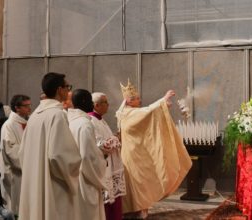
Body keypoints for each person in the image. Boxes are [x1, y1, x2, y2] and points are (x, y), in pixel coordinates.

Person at [116, 80, 192, 218]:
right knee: (137, 183)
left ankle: (140, 208)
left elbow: (147, 114)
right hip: (132, 154)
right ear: (129, 101)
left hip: (137, 153)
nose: (140, 101)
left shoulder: (127, 112)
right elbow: (148, 111)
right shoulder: (127, 113)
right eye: (137, 99)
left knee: (142, 182)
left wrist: (163, 107)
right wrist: (163, 100)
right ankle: (136, 209)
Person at [18, 72, 81, 220]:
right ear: (60, 90)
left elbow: (22, 153)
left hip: (35, 183)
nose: (68, 90)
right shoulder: (57, 115)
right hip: (54, 186)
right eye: (67, 87)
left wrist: (34, 173)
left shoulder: (34, 116)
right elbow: (60, 156)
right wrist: (77, 163)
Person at [68, 89, 107, 220]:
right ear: (84, 101)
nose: (92, 103)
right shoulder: (85, 124)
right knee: (89, 214)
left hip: (75, 174)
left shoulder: (71, 121)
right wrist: (103, 158)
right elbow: (87, 156)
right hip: (86, 178)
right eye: (90, 101)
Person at [90, 92, 126, 220]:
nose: (108, 105)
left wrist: (114, 138)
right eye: (105, 102)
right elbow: (100, 145)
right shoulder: (91, 120)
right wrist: (115, 140)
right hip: (104, 166)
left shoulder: (100, 119)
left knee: (115, 200)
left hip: (112, 165)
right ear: (96, 105)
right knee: (108, 203)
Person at [0, 95, 31, 216]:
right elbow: (10, 151)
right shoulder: (9, 125)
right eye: (26, 106)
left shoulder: (27, 122)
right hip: (14, 171)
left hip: (25, 170)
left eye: (29, 105)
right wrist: (29, 160)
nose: (29, 108)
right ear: (17, 108)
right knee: (15, 205)